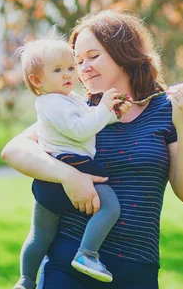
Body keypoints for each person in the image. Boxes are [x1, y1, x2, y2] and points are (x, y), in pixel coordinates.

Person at [2, 10, 183, 289]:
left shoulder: (168, 110)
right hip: (67, 265)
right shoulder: (79, 111)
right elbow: (14, 149)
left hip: (137, 269)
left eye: (93, 56)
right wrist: (69, 176)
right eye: (77, 61)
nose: (82, 67)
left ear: (123, 54)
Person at [13, 37, 132, 289]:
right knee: (109, 207)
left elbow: (90, 122)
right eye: (57, 70)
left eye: (70, 67)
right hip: (72, 165)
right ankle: (87, 254)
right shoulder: (52, 103)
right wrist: (103, 107)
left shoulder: (68, 99)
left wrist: (112, 114)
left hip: (51, 176)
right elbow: (80, 130)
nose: (68, 74)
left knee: (42, 233)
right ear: (37, 80)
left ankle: (26, 280)